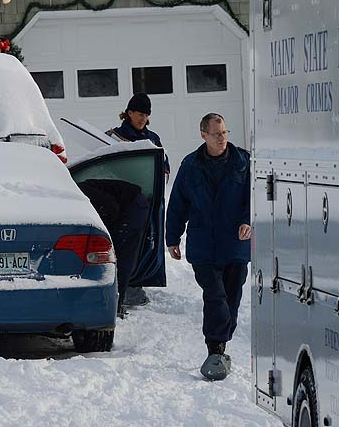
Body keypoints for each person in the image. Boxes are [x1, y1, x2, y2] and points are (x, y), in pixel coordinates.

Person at [165, 113, 251, 381]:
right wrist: (172, 238)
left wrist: (248, 220)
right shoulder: (190, 165)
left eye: (225, 132)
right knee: (216, 297)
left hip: (235, 244)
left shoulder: (243, 162)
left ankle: (220, 344)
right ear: (203, 135)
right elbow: (178, 204)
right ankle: (214, 348)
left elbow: (255, 194)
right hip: (204, 245)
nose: (222, 138)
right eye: (216, 134)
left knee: (232, 297)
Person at [106, 92, 170, 307]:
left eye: (146, 115)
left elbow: (165, 167)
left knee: (146, 245)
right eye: (139, 113)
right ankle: (120, 287)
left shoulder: (153, 139)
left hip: (149, 202)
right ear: (129, 113)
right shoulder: (112, 136)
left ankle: (137, 284)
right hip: (122, 204)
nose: (143, 118)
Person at [76, 179, 149, 318]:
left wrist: (105, 232)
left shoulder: (81, 193)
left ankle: (117, 303)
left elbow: (111, 208)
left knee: (121, 257)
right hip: (128, 205)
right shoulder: (78, 193)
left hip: (132, 206)